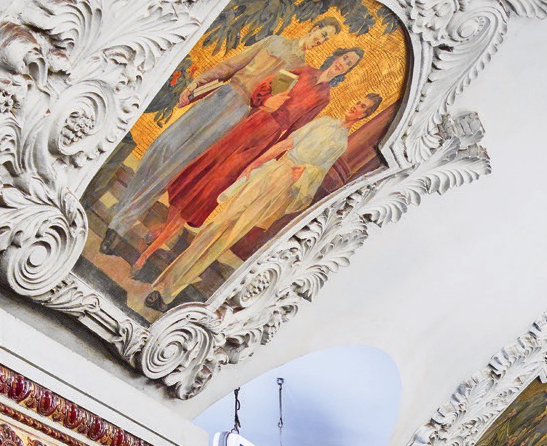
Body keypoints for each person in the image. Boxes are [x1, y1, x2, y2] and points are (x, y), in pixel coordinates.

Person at [101, 17, 340, 256]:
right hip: (221, 95)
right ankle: (122, 211)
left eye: (326, 39)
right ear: (313, 28)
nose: (320, 40)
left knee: (176, 165)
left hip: (238, 114)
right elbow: (232, 65)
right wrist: (198, 82)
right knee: (162, 147)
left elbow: (267, 101)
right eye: (322, 33)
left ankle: (119, 225)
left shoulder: (298, 67)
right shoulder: (275, 42)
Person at [132, 48, 363, 283]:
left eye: (349, 64)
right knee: (203, 171)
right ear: (336, 56)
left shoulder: (325, 97)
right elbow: (266, 87)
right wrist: (267, 100)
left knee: (215, 186)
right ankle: (165, 230)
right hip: (252, 122)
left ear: (348, 71)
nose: (343, 64)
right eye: (344, 58)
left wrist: (267, 160)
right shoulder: (304, 71)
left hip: (267, 138)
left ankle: (151, 250)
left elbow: (297, 129)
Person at [148, 92, 377, 308]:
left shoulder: (341, 144)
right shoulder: (323, 122)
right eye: (358, 102)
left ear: (364, 116)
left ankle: (169, 291)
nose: (355, 107)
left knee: (229, 237)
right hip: (273, 171)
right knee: (218, 224)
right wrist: (254, 165)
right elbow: (286, 144)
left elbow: (318, 173)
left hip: (285, 188)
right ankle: (165, 281)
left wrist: (306, 172)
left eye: (362, 107)